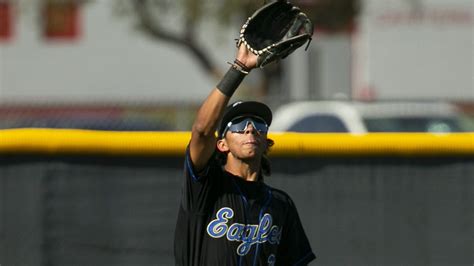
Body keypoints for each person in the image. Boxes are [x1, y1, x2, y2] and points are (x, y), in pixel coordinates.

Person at [174, 41, 316, 265]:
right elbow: (201, 130)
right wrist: (240, 67)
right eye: (239, 124)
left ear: (266, 142)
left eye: (259, 124)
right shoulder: (206, 188)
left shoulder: (280, 204)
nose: (250, 128)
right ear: (222, 144)